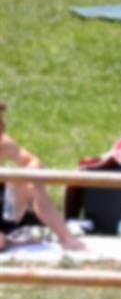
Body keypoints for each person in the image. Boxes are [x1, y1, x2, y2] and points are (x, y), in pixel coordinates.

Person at [0, 100, 85, 252]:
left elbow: (35, 162)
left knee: (32, 184)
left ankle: (66, 237)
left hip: (6, 210)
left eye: (2, 121)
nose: (3, 126)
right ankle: (6, 241)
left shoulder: (4, 143)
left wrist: (22, 175)